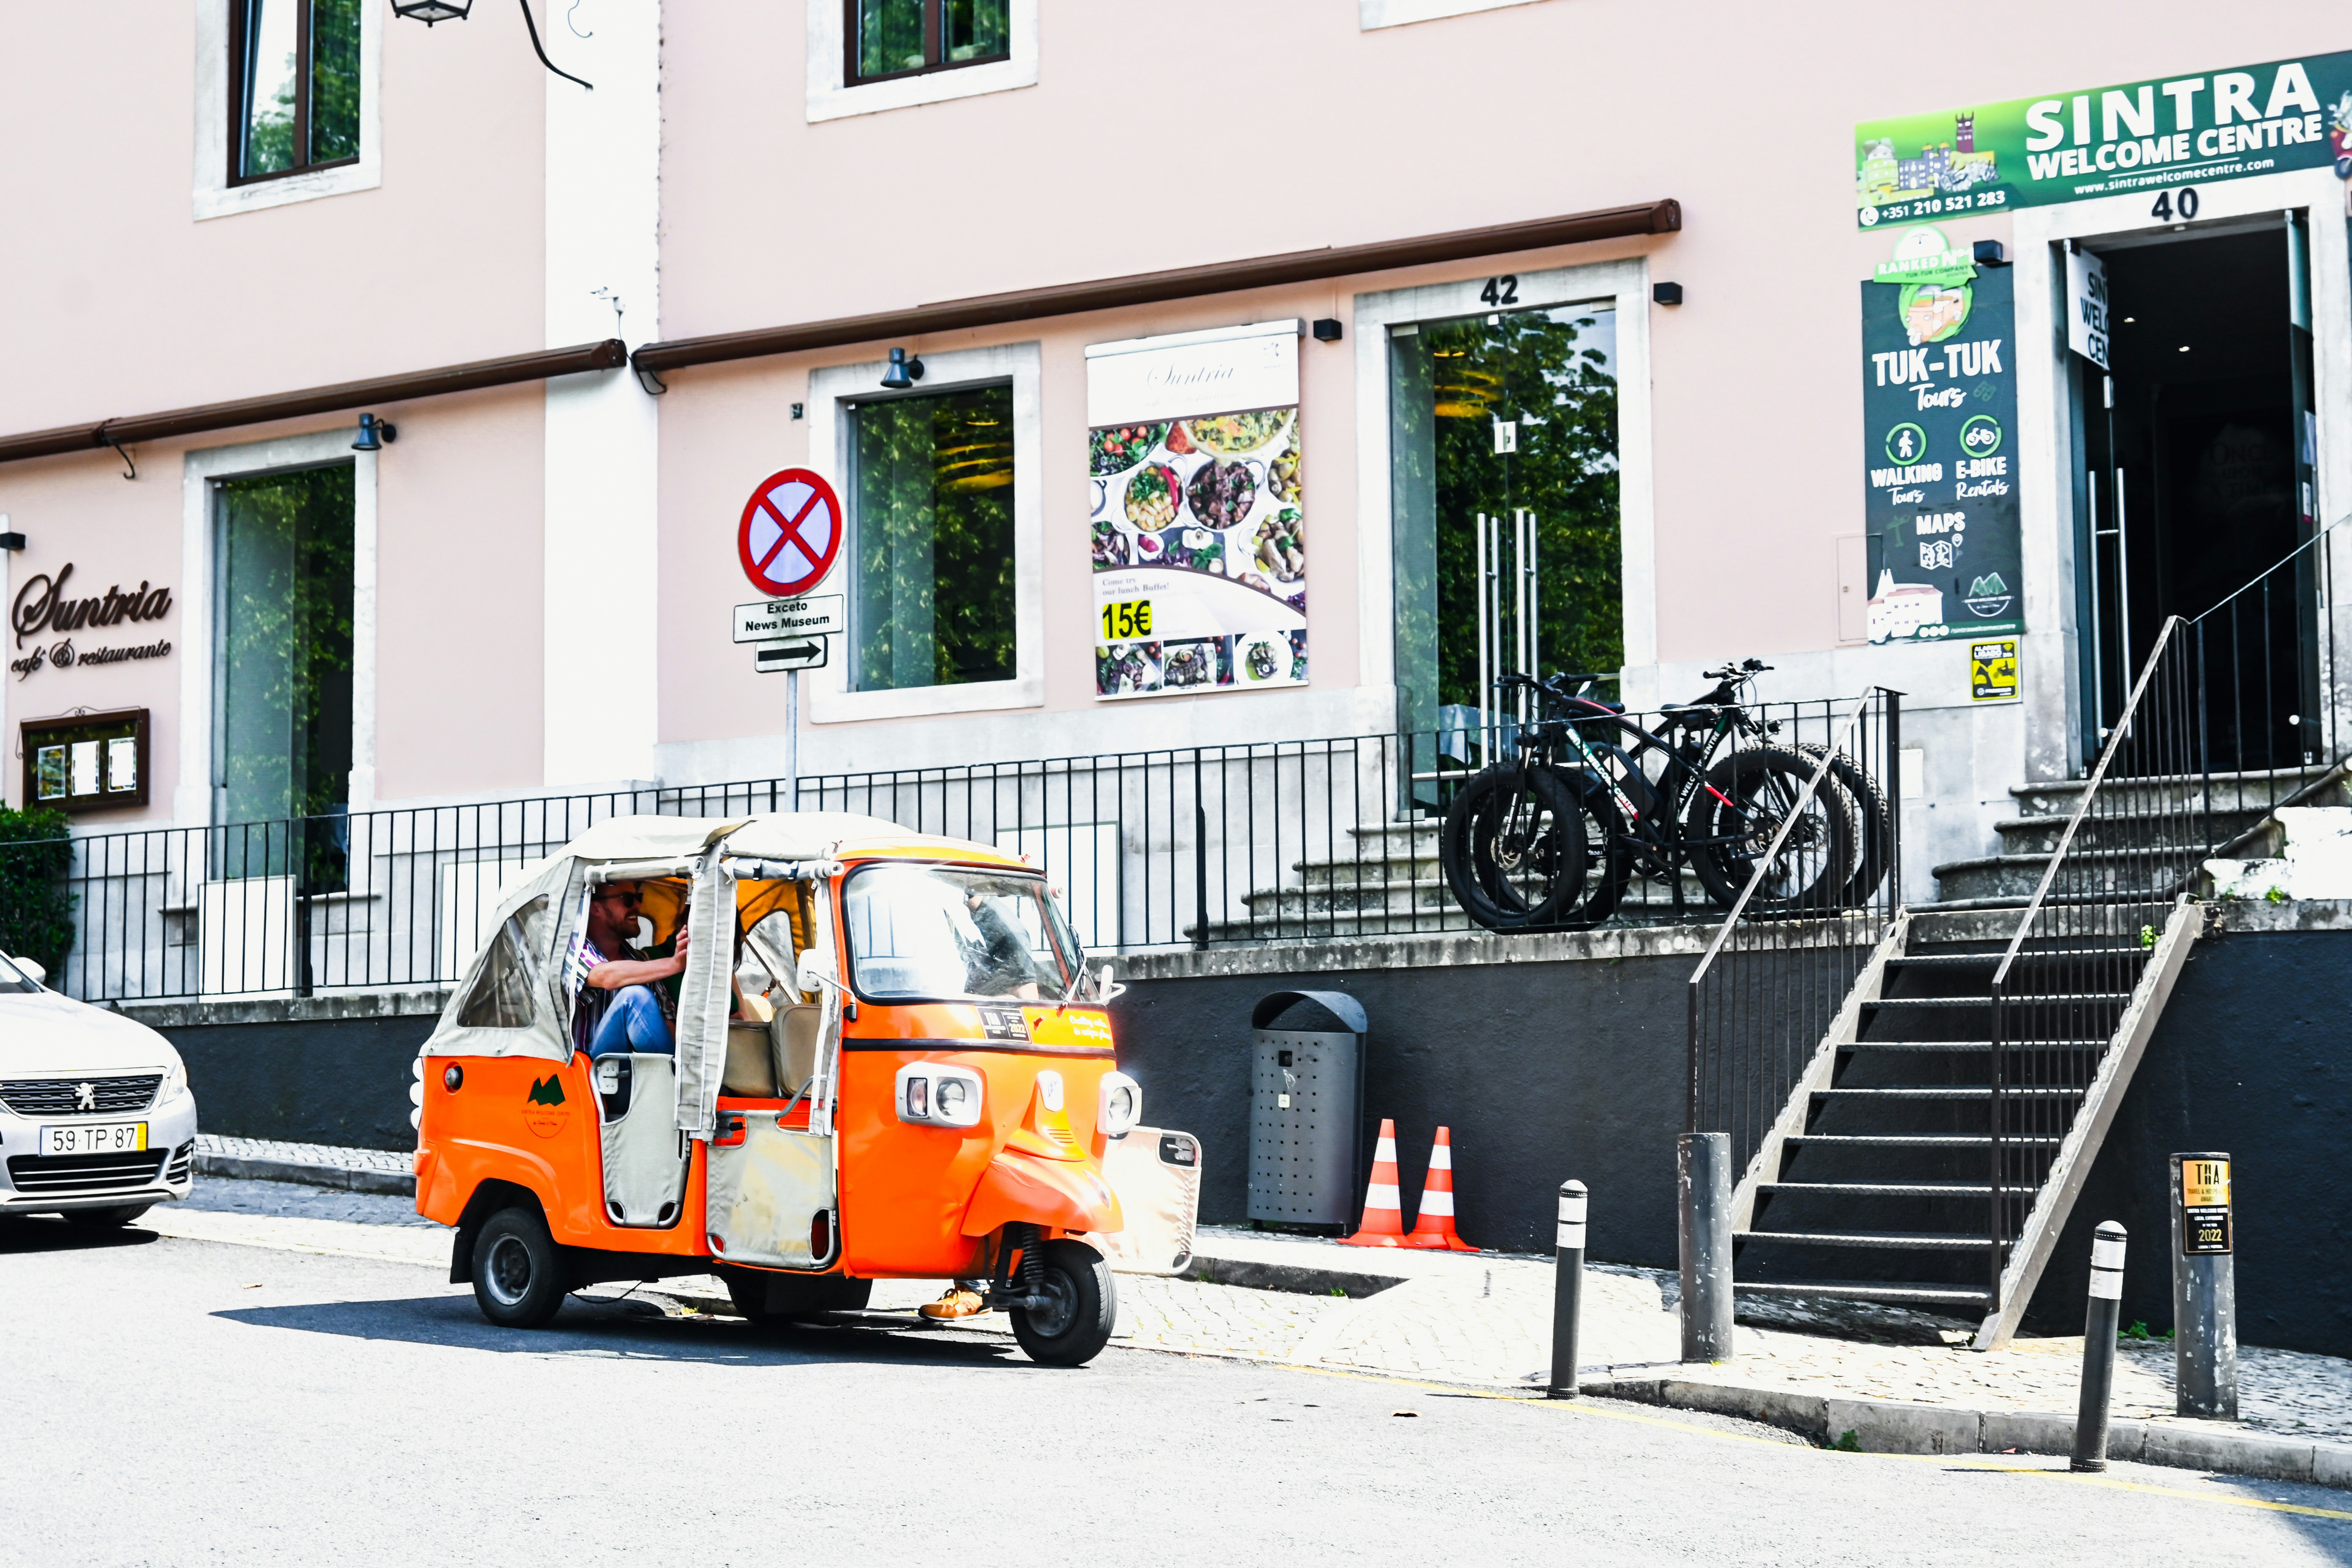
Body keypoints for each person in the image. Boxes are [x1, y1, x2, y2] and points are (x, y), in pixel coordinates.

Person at [570, 881, 690, 1057]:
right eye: (627, 899)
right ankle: (672, 1072)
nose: (637, 905)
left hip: (631, 1065)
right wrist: (673, 965)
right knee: (633, 998)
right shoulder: (572, 949)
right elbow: (605, 976)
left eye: (638, 898)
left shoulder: (641, 961)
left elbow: (667, 1024)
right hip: (584, 1067)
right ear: (596, 908)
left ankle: (673, 1071)